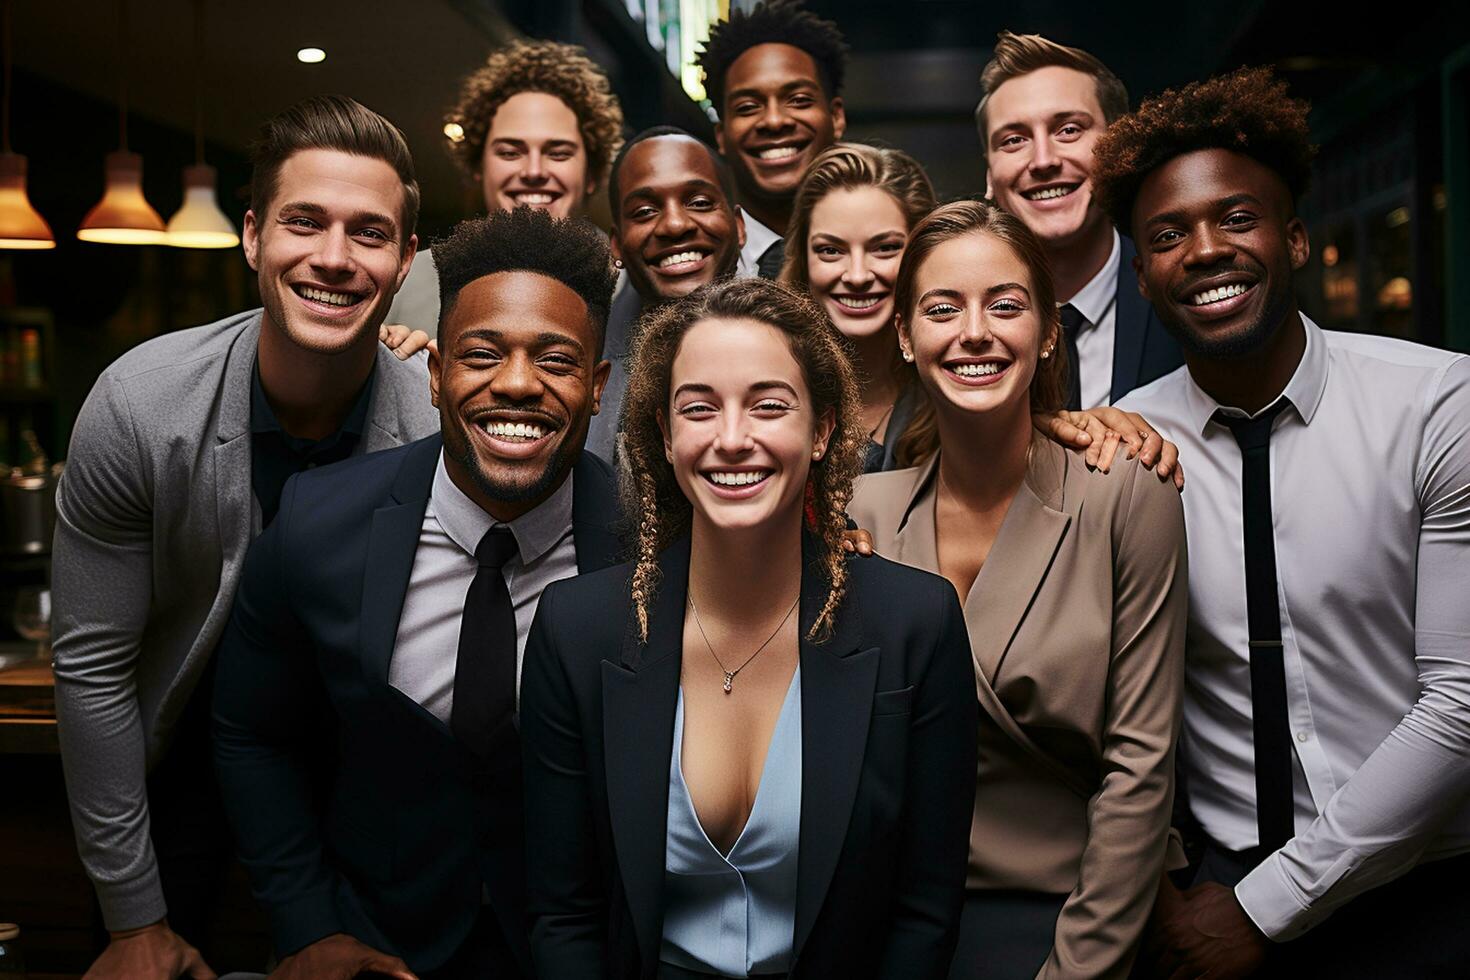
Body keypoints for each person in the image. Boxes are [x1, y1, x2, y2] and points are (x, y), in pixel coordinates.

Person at [49, 95, 441, 980]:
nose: (334, 258)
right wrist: (132, 916)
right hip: (175, 757)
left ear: (406, 258)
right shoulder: (141, 404)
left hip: (362, 785)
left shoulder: (435, 426)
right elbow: (95, 669)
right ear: (254, 235)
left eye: (369, 233)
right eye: (305, 223)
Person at [1095, 68, 1470, 977]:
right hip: (1207, 894)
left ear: (1294, 238)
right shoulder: (1126, 443)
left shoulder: (1435, 404)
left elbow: (1461, 702)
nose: (1207, 250)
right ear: (1143, 276)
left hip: (1422, 891)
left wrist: (1268, 907)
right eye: (1168, 236)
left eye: (1237, 218)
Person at [521, 277, 978, 978]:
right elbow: (564, 914)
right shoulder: (577, 630)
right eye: (699, 409)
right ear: (666, 436)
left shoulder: (916, 623)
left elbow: (924, 911)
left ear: (822, 430)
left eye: (768, 406)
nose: (733, 440)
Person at [212, 207, 623, 979]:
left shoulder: (656, 550)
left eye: (557, 360)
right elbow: (252, 733)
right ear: (435, 376)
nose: (517, 384)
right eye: (482, 354)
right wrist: (306, 926)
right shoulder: (319, 526)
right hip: (381, 950)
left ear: (597, 387)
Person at [848, 199, 1187, 979]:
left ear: (1046, 333)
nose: (975, 332)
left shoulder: (1125, 494)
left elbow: (1141, 769)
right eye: (942, 308)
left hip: (1070, 918)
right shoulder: (859, 516)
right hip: (889, 929)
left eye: (1006, 306)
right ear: (904, 335)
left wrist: (1077, 969)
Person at [976, 31, 1182, 409]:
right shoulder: (964, 323)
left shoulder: (1183, 289)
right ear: (990, 174)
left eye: (1068, 130)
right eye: (1013, 140)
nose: (1043, 160)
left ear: (1120, 149)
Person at [386, 39, 625, 338]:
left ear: (592, 173)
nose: (534, 171)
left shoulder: (633, 291)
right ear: (478, 168)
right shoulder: (404, 282)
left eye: (559, 153)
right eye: (510, 152)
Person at [589, 126, 746, 461]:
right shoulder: (587, 370)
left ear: (740, 226)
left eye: (700, 202)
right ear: (616, 244)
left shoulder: (795, 351)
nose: (675, 225)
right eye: (645, 212)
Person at [780, 142, 934, 472]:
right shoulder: (769, 384)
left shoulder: (956, 392)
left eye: (885, 248)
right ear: (804, 262)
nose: (858, 275)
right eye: (831, 251)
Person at [696, 0, 848, 279]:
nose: (774, 121)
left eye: (799, 100)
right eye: (747, 107)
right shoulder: (690, 266)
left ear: (836, 117)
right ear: (721, 135)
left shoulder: (896, 255)